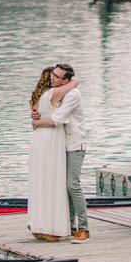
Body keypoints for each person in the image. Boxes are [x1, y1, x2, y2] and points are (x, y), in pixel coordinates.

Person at [32, 63, 89, 240]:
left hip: (74, 145)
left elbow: (58, 119)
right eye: (53, 75)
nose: (52, 78)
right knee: (62, 188)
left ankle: (84, 229)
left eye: (57, 76)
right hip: (58, 147)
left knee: (72, 185)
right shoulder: (60, 92)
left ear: (65, 80)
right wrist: (37, 116)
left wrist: (37, 123)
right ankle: (70, 226)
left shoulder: (73, 95)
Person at [27, 65, 70, 241]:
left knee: (39, 182)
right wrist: (68, 79)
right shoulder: (52, 94)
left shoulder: (35, 97)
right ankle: (47, 227)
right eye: (54, 76)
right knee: (52, 182)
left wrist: (35, 121)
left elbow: (34, 117)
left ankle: (37, 225)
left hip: (38, 139)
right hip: (51, 139)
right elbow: (74, 83)